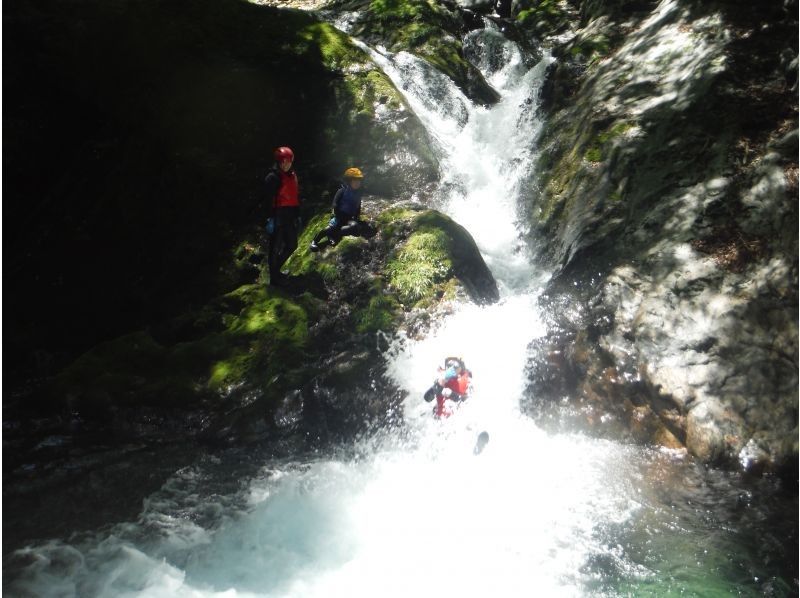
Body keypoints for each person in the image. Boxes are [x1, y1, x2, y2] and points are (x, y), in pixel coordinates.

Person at [309, 167, 374, 251]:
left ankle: (332, 237)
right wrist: (337, 214)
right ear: (349, 181)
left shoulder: (358, 194)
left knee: (354, 228)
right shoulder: (342, 191)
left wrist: (357, 217)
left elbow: (358, 207)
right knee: (330, 229)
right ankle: (314, 241)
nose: (358, 183)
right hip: (339, 216)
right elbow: (335, 204)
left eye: (359, 181)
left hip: (349, 218)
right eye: (355, 180)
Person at [265, 146, 302, 286]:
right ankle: (274, 279)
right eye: (283, 161)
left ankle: (276, 271)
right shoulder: (273, 177)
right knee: (274, 248)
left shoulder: (292, 175)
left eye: (289, 161)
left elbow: (295, 197)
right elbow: (267, 200)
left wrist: (298, 215)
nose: (286, 164)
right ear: (278, 162)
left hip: (290, 215)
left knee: (292, 244)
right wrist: (269, 218)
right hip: (277, 216)